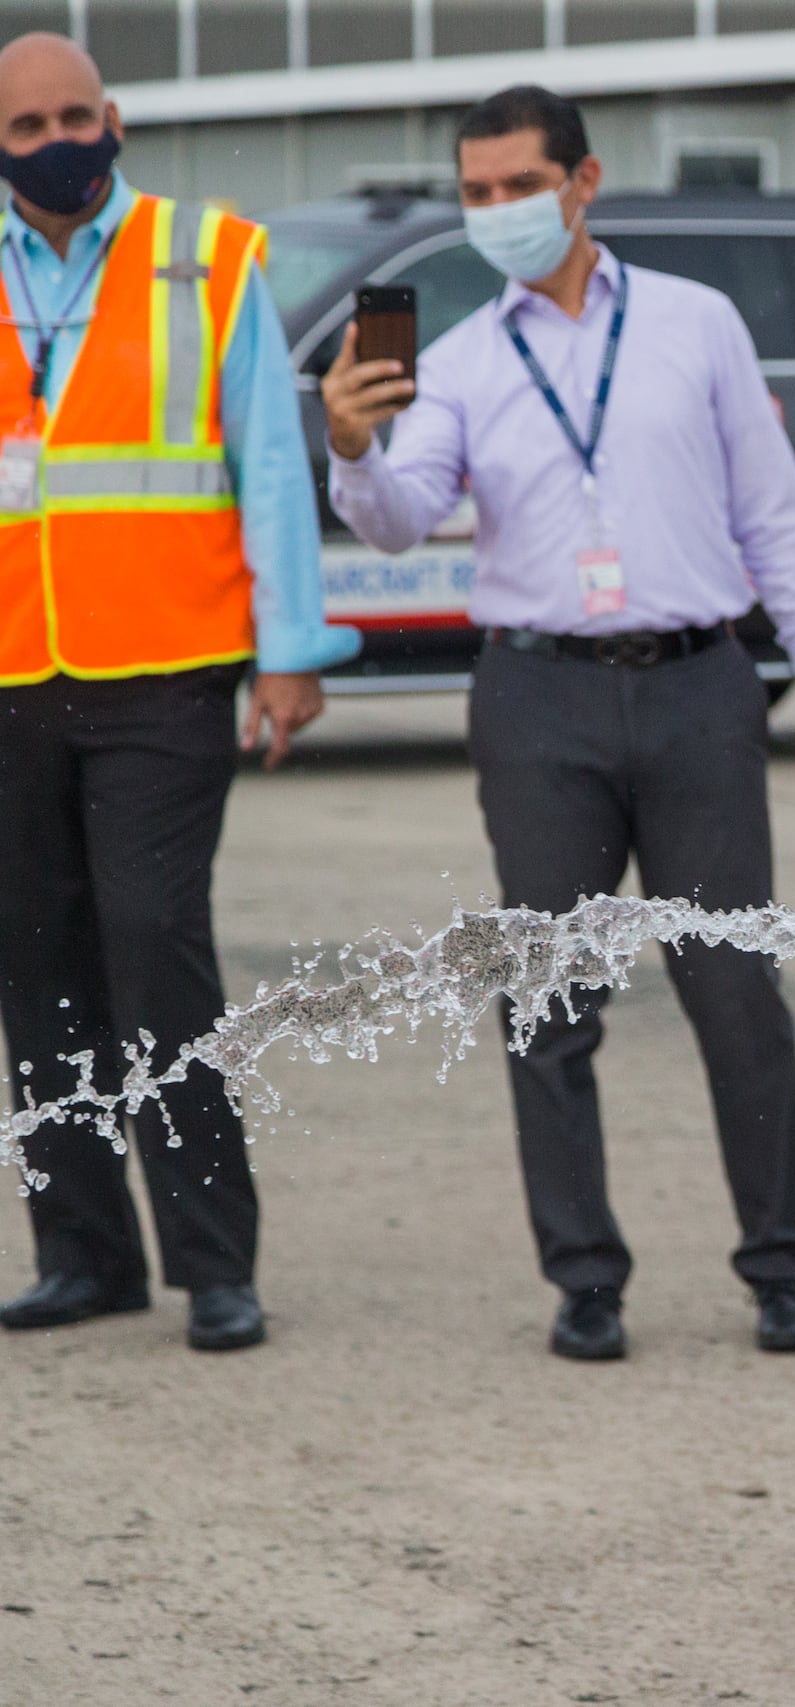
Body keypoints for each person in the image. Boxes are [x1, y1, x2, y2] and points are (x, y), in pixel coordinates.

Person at [319, 84, 795, 1362]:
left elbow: (771, 512)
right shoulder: (452, 360)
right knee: (544, 1003)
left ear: (583, 181)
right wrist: (352, 450)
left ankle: (780, 1270)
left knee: (734, 990)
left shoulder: (697, 324)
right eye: (475, 191)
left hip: (696, 685)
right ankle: (585, 1279)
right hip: (537, 698)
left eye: (518, 185)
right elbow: (403, 515)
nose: (496, 210)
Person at [0, 33, 352, 1353]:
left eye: (72, 116)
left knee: (158, 956)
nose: (52, 142)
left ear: (117, 117)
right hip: (11, 673)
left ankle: (214, 1262)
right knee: (35, 971)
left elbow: (269, 456)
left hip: (165, 671)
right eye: (25, 126)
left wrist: (291, 647)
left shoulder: (207, 257)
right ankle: (82, 1254)